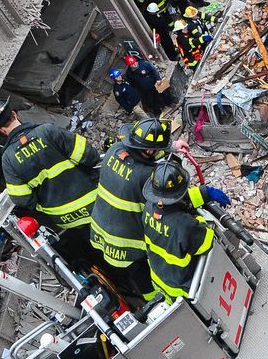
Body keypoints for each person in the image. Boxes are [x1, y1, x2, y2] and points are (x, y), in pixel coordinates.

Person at [0, 99, 100, 236]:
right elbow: (91, 156)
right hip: (96, 203)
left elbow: (22, 200)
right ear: (14, 113)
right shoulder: (48, 130)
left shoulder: (8, 159)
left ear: (0, 131)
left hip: (66, 219)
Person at [89, 117, 172, 300]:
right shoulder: (146, 176)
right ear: (149, 151)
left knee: (130, 272)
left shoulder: (114, 151)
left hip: (98, 230)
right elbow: (166, 204)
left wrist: (171, 149)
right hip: (127, 243)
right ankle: (157, 303)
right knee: (145, 274)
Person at [141, 155, 216, 299]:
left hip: (159, 279)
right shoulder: (185, 224)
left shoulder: (149, 207)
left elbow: (176, 206)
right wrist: (198, 219)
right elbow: (207, 241)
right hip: (182, 289)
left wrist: (204, 193)